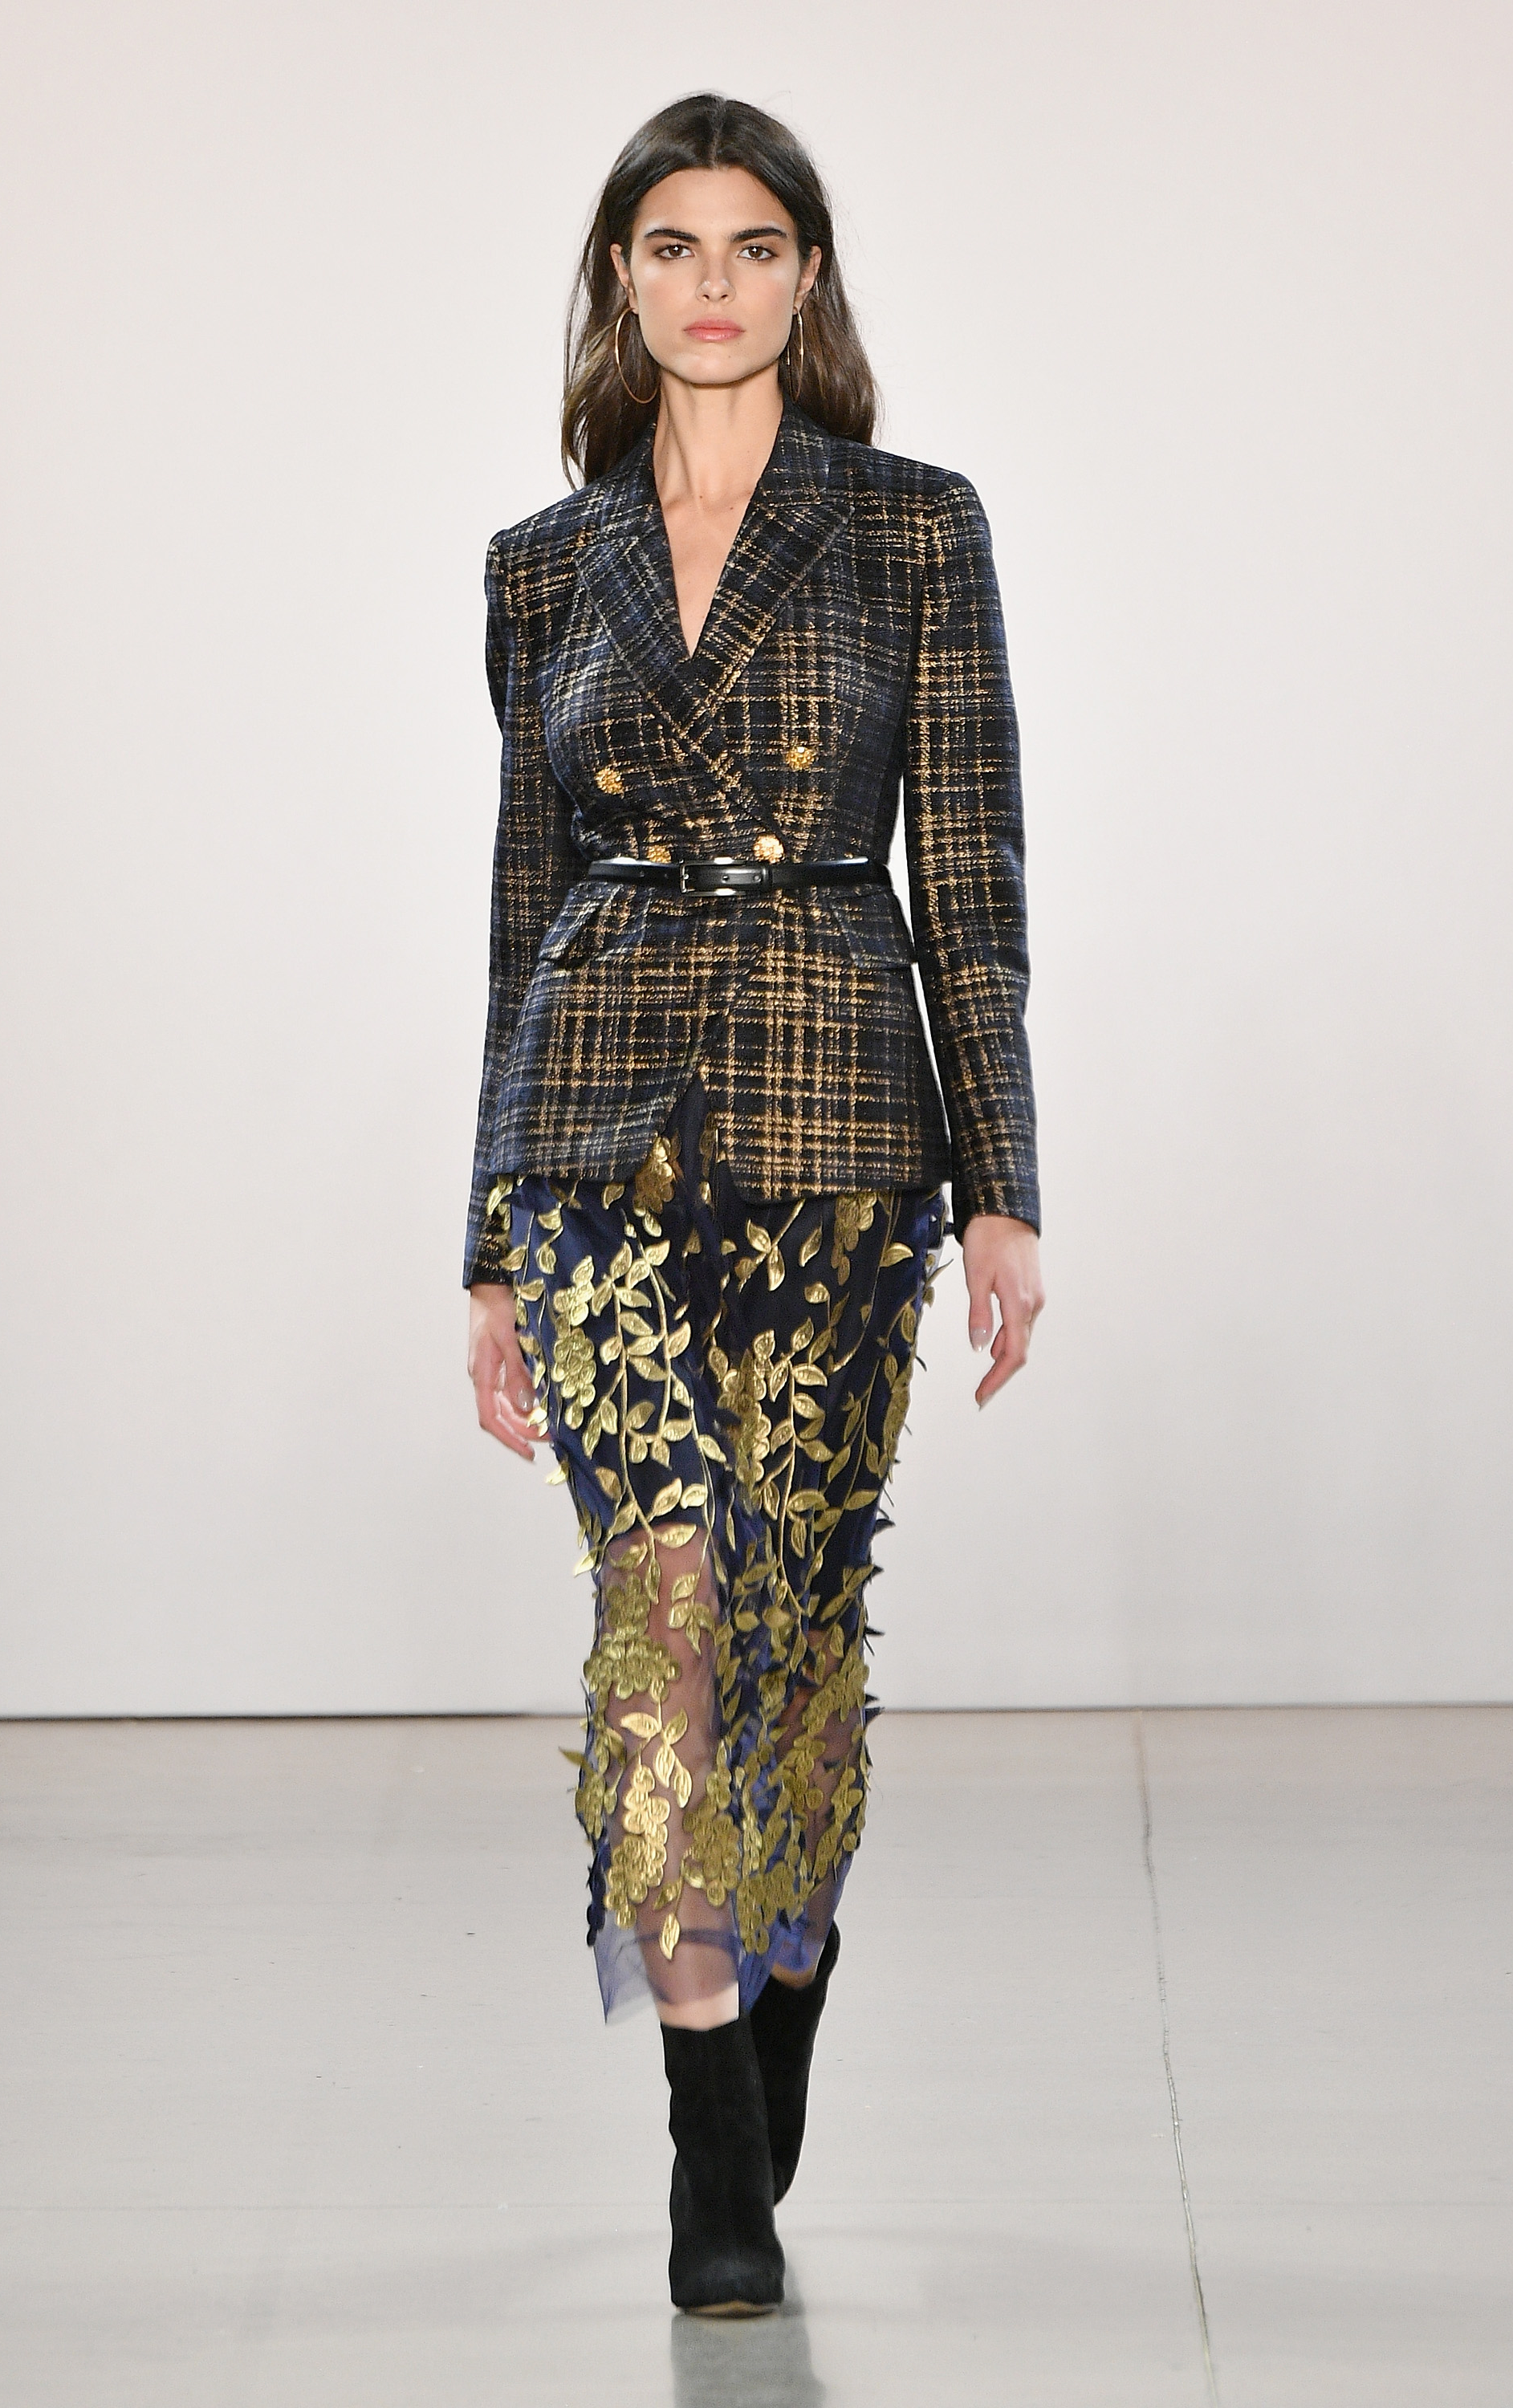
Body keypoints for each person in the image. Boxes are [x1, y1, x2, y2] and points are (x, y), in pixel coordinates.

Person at [464, 92, 1043, 2316]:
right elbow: (519, 907)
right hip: (596, 1134)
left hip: (839, 1144)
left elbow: (966, 884)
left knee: (794, 1639)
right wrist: (489, 1240)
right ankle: (712, 2122)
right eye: (672, 246)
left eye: (755, 246)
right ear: (619, 278)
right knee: (667, 1607)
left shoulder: (912, 530)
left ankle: (775, 1991)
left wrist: (1001, 1191)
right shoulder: (545, 560)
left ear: (809, 275)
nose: (713, 285)